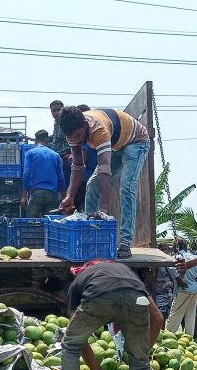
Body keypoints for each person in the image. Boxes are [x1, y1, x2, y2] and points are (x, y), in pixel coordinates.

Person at [57, 106, 151, 259]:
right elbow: (78, 166)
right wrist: (69, 196)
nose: (77, 140)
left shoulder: (99, 131)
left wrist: (104, 208)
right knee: (91, 185)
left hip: (136, 142)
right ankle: (90, 238)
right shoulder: (72, 132)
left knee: (126, 187)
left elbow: (104, 170)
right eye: (72, 138)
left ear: (85, 125)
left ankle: (125, 244)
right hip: (116, 145)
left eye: (78, 136)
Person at [21, 129, 66, 218]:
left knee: (32, 224)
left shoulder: (30, 153)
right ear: (47, 140)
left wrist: (24, 196)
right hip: (52, 194)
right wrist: (64, 198)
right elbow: (61, 177)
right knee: (50, 224)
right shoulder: (55, 155)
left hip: (37, 193)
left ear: (36, 140)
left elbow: (26, 173)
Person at [166, 239, 197, 336]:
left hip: (182, 289)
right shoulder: (194, 257)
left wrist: (180, 281)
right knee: (190, 315)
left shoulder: (175, 257)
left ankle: (168, 335)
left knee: (175, 314)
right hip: (194, 288)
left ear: (176, 247)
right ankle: (189, 337)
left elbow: (171, 269)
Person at [152, 243, 178, 319]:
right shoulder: (155, 261)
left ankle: (162, 328)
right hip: (159, 289)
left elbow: (176, 274)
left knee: (167, 311)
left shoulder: (171, 261)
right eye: (162, 249)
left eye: (165, 249)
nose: (164, 251)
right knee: (161, 310)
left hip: (169, 290)